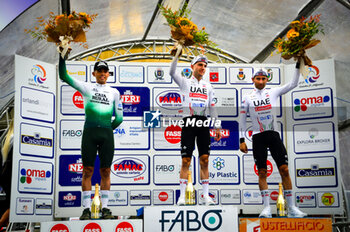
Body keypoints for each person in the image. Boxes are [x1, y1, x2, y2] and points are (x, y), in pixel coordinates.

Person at [239, 59, 307, 218]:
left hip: (273, 135)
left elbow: (293, 84)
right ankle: (266, 209)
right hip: (257, 137)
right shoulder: (247, 97)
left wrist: (298, 64)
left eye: (263, 79)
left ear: (266, 80)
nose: (261, 81)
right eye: (258, 79)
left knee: (284, 169)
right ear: (253, 80)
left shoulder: (273, 92)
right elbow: (242, 120)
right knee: (262, 172)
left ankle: (291, 208)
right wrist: (241, 140)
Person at [59, 56, 123, 220]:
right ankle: (86, 209)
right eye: (99, 71)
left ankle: (106, 208)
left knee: (106, 171)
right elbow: (64, 76)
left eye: (105, 71)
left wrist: (107, 129)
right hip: (90, 133)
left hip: (106, 135)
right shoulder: (86, 87)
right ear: (94, 73)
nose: (102, 73)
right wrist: (62, 56)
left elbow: (120, 118)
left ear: (108, 74)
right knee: (87, 170)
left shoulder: (114, 92)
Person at [169, 53, 222, 206]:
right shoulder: (185, 82)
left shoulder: (208, 86)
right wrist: (177, 56)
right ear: (192, 66)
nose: (202, 68)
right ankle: (182, 196)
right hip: (189, 122)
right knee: (186, 160)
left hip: (203, 123)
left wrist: (217, 126)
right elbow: (172, 72)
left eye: (205, 66)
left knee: (204, 160)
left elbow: (212, 107)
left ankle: (206, 196)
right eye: (200, 65)